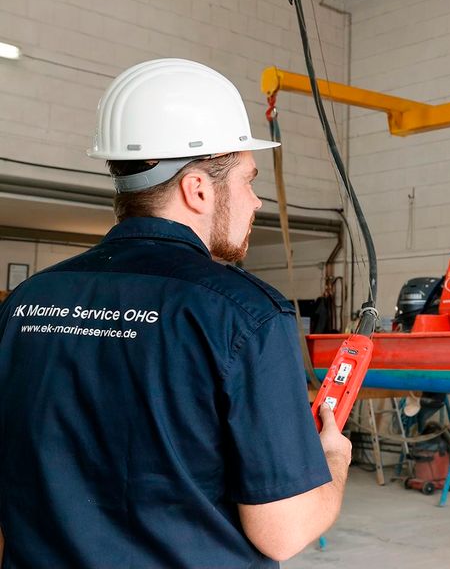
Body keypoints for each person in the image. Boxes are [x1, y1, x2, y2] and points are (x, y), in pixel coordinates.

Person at [0, 59, 351, 567]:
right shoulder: (245, 316)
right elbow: (284, 530)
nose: (255, 202)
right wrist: (334, 460)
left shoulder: (25, 303)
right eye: (249, 181)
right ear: (198, 189)